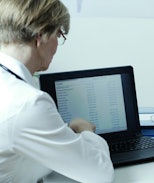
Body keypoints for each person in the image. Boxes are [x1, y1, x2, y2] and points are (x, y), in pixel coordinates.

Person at [0, 0, 114, 182]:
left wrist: (62, 136)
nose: (56, 46)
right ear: (41, 35)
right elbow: (100, 174)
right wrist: (87, 132)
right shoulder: (27, 103)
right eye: (58, 35)